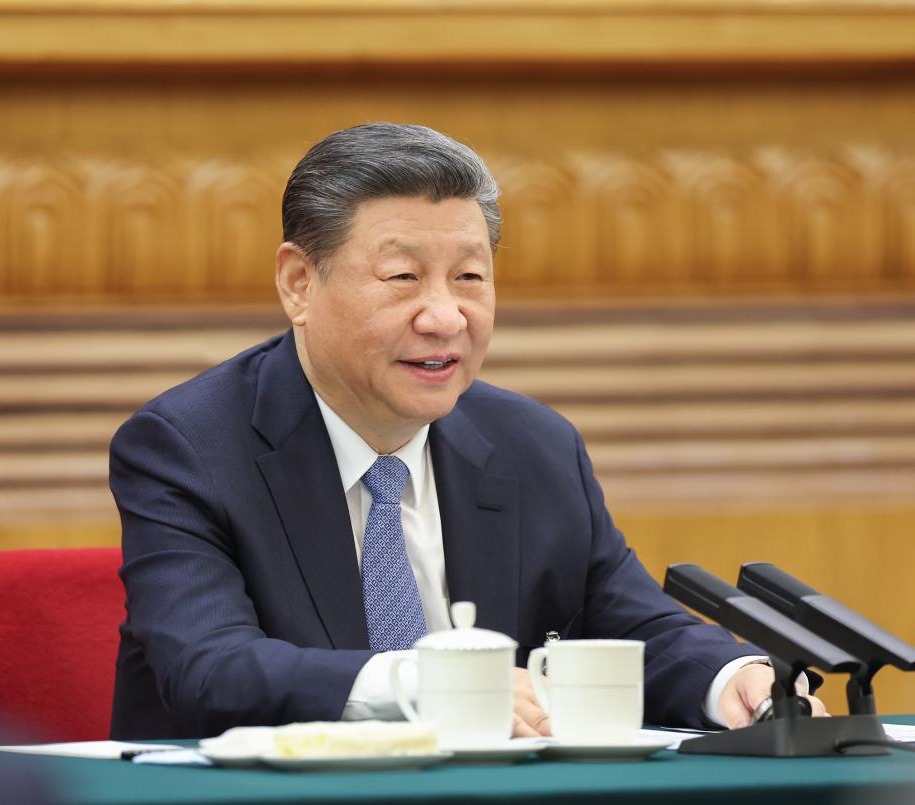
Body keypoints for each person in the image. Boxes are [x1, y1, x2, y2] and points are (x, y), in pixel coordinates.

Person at [109, 122, 825, 740]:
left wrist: (738, 678)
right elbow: (207, 667)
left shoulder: (532, 447)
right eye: (402, 277)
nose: (445, 317)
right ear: (300, 283)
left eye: (470, 278)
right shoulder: (190, 446)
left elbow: (637, 629)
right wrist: (427, 683)